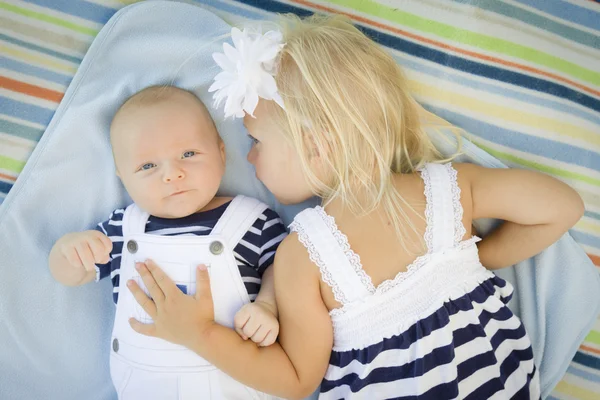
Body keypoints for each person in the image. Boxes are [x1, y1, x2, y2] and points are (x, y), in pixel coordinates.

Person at [126, 15, 584, 400]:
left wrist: (199, 334)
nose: (248, 157)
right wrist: (478, 260)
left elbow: (294, 378)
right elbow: (562, 207)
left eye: (257, 141)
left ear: (316, 144)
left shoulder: (304, 255)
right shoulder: (447, 190)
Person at [48, 85, 286, 399]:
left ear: (221, 152)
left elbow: (284, 270)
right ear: (123, 176)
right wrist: (68, 251)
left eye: (188, 154)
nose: (172, 174)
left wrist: (267, 306)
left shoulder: (252, 220)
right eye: (148, 166)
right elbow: (71, 275)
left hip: (234, 383)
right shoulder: (124, 229)